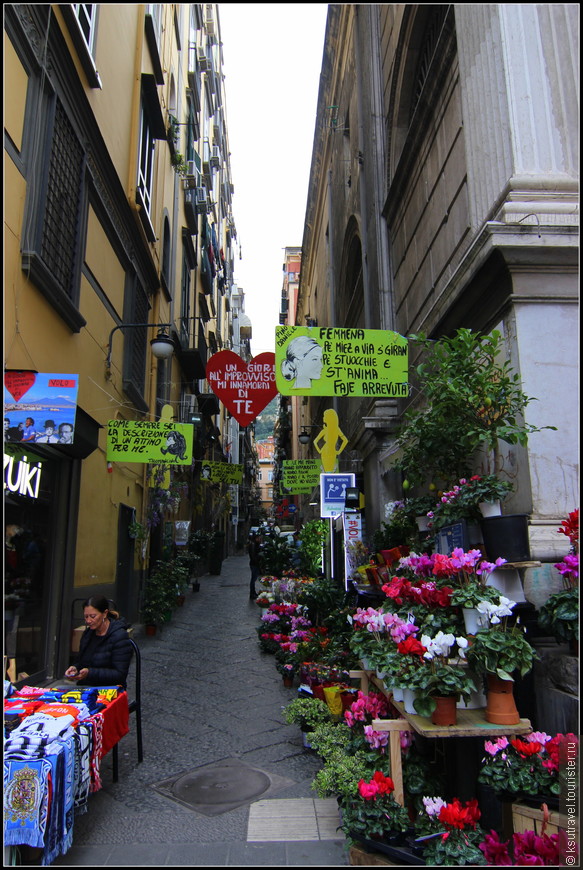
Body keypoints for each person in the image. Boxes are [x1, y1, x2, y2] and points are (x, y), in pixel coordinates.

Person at [64, 596, 132, 687]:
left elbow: (120, 675)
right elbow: (81, 661)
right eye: (86, 617)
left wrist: (90, 673)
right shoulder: (88, 633)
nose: (88, 621)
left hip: (109, 689)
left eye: (93, 616)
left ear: (104, 614)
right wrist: (75, 668)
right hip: (87, 686)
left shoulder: (119, 636)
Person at [248, 532, 262, 600]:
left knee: (254, 578)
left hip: (254, 564)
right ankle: (252, 593)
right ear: (256, 539)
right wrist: (257, 560)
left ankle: (253, 592)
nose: (260, 540)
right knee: (253, 579)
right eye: (259, 538)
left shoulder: (255, 545)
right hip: (254, 564)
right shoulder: (253, 545)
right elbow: (253, 556)